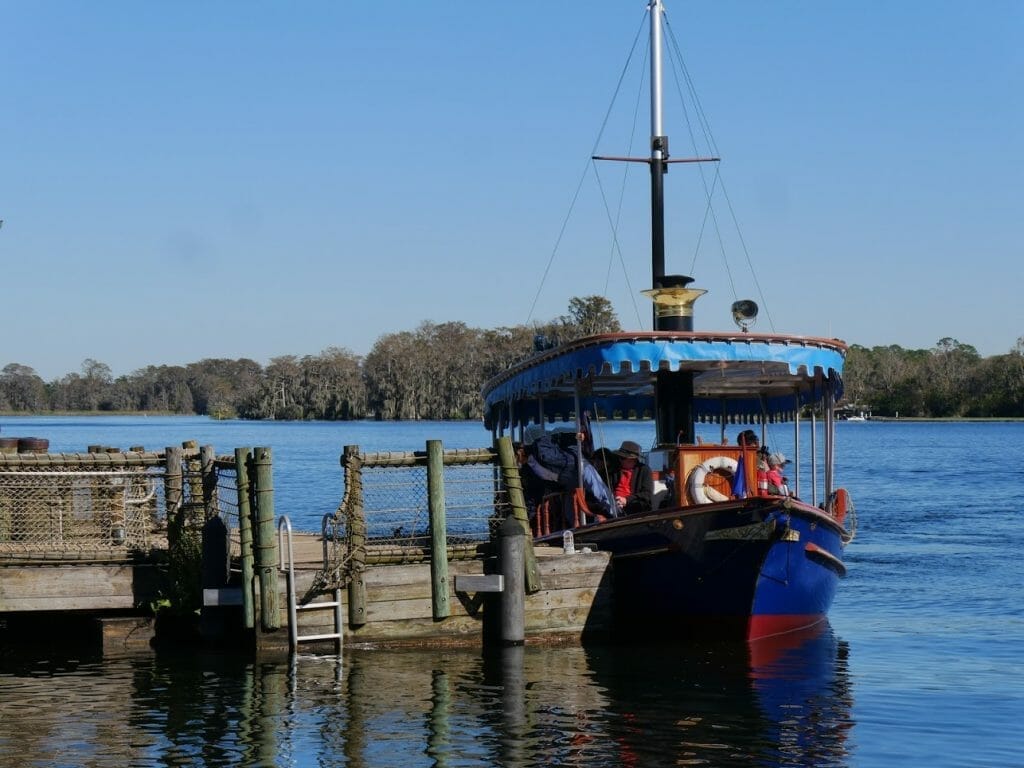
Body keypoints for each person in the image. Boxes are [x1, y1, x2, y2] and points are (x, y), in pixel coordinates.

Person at [609, 440, 653, 515]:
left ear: (633, 460)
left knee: (637, 506)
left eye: (623, 458)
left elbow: (647, 494)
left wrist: (626, 500)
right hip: (615, 505)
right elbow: (609, 488)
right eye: (620, 457)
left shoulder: (644, 470)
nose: (620, 460)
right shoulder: (614, 470)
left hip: (634, 506)